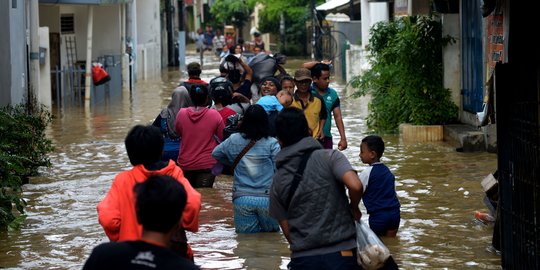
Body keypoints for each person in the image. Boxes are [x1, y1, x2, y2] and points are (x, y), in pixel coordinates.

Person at [269, 107, 363, 270]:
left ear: (279, 140)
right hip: (342, 255)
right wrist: (354, 208)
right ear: (309, 130)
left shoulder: (277, 181)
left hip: (303, 260)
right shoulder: (331, 157)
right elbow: (355, 186)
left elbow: (288, 233)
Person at [97, 125, 201, 260]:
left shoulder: (123, 180)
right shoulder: (174, 173)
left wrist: (121, 236)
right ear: (161, 149)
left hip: (131, 255)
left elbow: (107, 218)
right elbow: (193, 203)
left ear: (130, 154)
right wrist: (185, 223)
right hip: (172, 255)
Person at [85, 175, 200, 270]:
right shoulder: (185, 267)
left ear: (138, 215)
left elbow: (107, 218)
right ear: (179, 221)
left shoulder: (102, 255)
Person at [212, 104, 281, 233]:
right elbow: (279, 170)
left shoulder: (233, 139)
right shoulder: (272, 143)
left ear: (244, 121)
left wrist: (232, 162)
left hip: (242, 198)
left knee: (246, 242)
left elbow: (215, 153)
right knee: (271, 241)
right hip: (267, 199)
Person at [175, 84, 225, 188]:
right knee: (205, 198)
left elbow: (178, 133)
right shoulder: (214, 115)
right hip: (207, 165)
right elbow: (222, 137)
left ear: (191, 98)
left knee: (188, 197)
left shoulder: (181, 113)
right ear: (207, 98)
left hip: (185, 163)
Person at [358, 135, 401, 237]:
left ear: (372, 154)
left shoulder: (367, 172)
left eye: (362, 152)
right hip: (395, 214)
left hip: (378, 217)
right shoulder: (387, 171)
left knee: (378, 246)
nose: (360, 155)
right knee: (390, 243)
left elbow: (356, 188)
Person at [306, 62, 348, 151]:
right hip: (308, 138)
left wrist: (343, 138)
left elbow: (338, 117)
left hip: (326, 137)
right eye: (325, 79)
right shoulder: (307, 92)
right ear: (314, 79)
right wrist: (319, 63)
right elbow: (303, 67)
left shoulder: (333, 94)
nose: (328, 81)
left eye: (328, 78)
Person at [152, 87, 192, 163]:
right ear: (187, 98)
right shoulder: (191, 114)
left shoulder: (164, 113)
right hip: (184, 154)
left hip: (165, 152)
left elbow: (153, 130)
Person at [290, 68, 327, 140]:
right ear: (295, 82)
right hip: (295, 140)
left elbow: (324, 115)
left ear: (310, 82)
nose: (303, 84)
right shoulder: (290, 101)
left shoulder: (318, 99)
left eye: (306, 82)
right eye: (300, 82)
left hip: (315, 139)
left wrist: (321, 129)